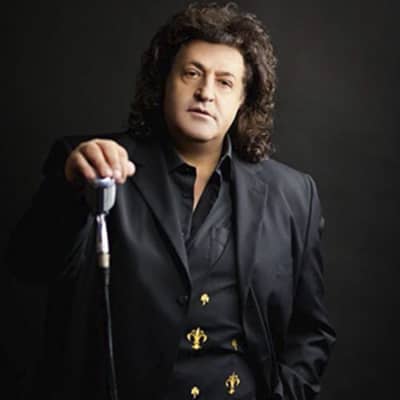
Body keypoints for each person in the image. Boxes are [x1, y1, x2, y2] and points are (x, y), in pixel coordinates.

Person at [6, 2, 336, 400]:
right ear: (164, 81)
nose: (205, 93)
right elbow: (29, 265)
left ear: (243, 101)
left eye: (225, 82)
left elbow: (310, 332)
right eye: (192, 73)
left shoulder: (295, 195)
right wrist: (72, 189)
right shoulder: (90, 165)